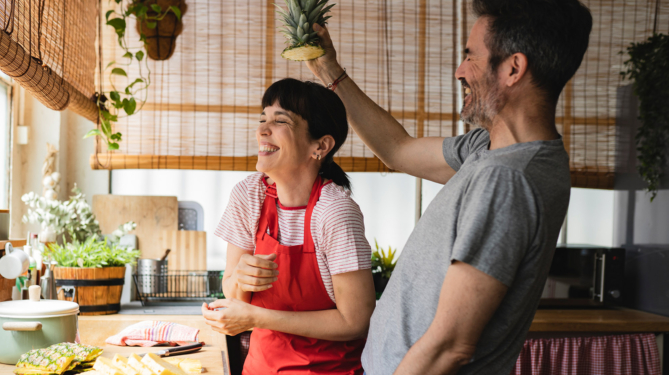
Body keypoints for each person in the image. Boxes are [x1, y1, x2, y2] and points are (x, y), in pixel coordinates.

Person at [304, 0, 593, 374]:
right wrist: (329, 70)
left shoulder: (506, 179)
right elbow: (397, 149)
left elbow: (450, 345)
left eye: (471, 56)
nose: (459, 71)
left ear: (513, 68)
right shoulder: (488, 151)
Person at [202, 78, 375, 374]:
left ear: (320, 145)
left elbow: (356, 321)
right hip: (260, 368)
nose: (262, 130)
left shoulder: (334, 211)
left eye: (280, 121)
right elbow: (233, 295)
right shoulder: (248, 195)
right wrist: (241, 281)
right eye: (262, 119)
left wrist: (258, 317)